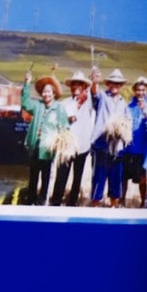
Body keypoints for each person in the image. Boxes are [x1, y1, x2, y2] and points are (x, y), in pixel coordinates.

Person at [19, 71, 66, 206]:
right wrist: (27, 83)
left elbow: (64, 127)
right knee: (33, 176)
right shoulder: (37, 106)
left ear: (54, 93)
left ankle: (41, 202)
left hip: (48, 148)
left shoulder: (59, 109)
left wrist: (61, 141)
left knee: (46, 176)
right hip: (36, 145)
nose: (46, 94)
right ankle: (30, 201)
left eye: (49, 92)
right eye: (44, 92)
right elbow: (25, 103)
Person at [49, 70, 95, 206]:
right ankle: (56, 202)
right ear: (71, 87)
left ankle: (72, 203)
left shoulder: (89, 102)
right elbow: (59, 121)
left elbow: (94, 92)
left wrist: (93, 78)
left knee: (77, 177)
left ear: (84, 86)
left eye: (79, 84)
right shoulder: (65, 103)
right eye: (74, 84)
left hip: (82, 146)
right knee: (61, 175)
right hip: (67, 146)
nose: (76, 87)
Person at [90, 68, 131, 207]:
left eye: (118, 84)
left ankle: (113, 206)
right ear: (108, 84)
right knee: (98, 178)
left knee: (115, 179)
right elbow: (94, 93)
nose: (115, 86)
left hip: (117, 148)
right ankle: (95, 207)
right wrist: (94, 82)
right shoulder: (102, 97)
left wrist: (122, 131)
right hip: (101, 145)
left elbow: (127, 122)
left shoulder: (123, 103)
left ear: (121, 86)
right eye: (112, 83)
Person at [122, 76, 147, 208]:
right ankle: (122, 201)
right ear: (134, 91)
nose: (140, 93)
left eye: (143, 90)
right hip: (128, 148)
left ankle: (142, 203)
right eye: (138, 90)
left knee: (142, 178)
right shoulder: (129, 106)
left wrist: (146, 113)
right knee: (124, 177)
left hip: (143, 149)